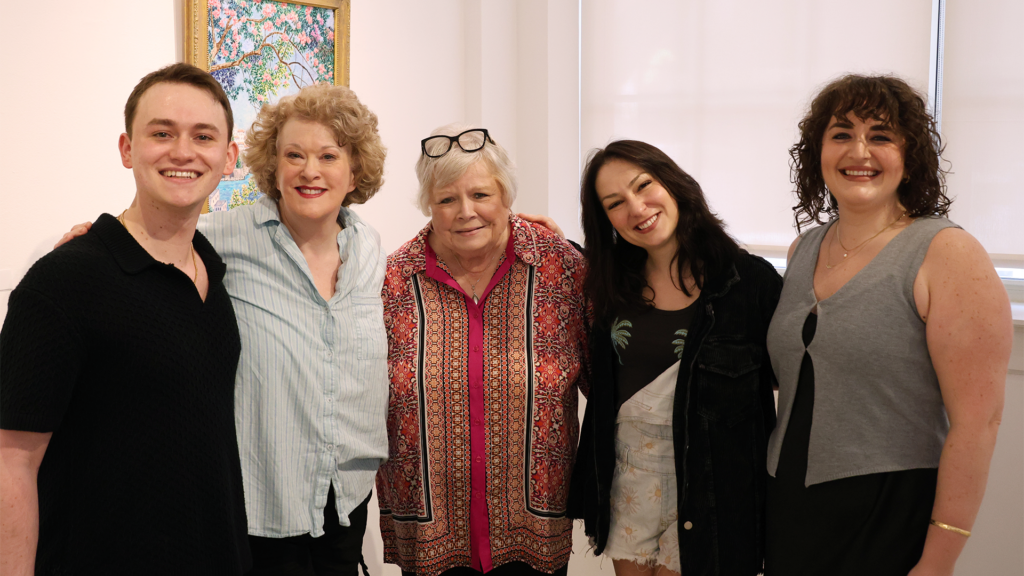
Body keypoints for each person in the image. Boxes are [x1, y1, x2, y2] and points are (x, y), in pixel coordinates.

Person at [48, 83, 390, 576]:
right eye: (293, 154)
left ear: (354, 168)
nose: (309, 170)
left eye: (328, 155)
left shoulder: (371, 249)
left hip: (346, 500)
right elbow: (151, 238)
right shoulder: (224, 237)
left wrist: (529, 234)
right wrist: (92, 244)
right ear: (272, 165)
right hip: (261, 508)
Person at [0, 63, 251, 575]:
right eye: (162, 133)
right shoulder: (64, 282)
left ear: (228, 158)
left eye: (203, 136)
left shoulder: (214, 270)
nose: (183, 151)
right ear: (127, 149)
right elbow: (11, 462)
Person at [764, 74, 1013, 576]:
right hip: (789, 503)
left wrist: (939, 560)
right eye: (841, 134)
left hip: (889, 513)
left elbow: (976, 425)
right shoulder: (803, 250)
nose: (860, 151)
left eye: (880, 135)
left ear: (910, 154)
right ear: (818, 152)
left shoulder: (947, 253)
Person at [375, 124, 590, 576]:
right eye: (447, 199)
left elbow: (609, 377)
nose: (465, 212)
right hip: (430, 534)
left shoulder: (562, 268)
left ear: (507, 198)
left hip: (534, 532)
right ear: (428, 206)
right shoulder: (391, 279)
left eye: (481, 195)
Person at [566, 140, 783, 576]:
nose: (636, 207)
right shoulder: (609, 287)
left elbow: (787, 381)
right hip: (629, 479)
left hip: (713, 484)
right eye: (614, 203)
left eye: (643, 185)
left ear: (673, 183)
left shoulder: (750, 282)